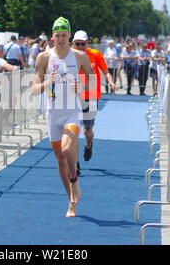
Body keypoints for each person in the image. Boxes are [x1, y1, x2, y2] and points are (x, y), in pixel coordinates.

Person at [31, 17, 95, 218]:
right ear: (52, 36)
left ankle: (74, 182)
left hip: (72, 112)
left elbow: (92, 81)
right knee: (60, 159)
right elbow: (33, 89)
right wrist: (46, 82)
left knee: (68, 149)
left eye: (63, 35)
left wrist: (82, 87)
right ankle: (71, 201)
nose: (60, 39)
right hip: (52, 115)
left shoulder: (79, 57)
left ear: (70, 36)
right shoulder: (43, 58)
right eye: (57, 35)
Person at [72, 30, 116, 165]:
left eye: (82, 44)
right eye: (77, 44)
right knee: (73, 130)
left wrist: (111, 81)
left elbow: (106, 71)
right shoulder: (69, 55)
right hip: (74, 96)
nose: (80, 47)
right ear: (73, 43)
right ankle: (74, 162)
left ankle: (88, 144)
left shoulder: (95, 55)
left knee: (87, 130)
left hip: (91, 96)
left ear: (87, 43)